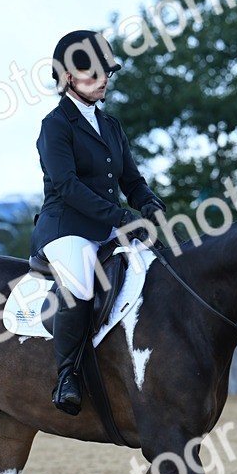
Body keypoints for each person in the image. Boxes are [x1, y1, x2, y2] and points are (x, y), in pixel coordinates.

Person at [31, 29, 166, 415]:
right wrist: (125, 217)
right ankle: (66, 376)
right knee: (81, 282)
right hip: (66, 229)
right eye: (94, 73)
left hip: (107, 225)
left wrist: (150, 204)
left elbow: (132, 181)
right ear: (68, 78)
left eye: (107, 72)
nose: (104, 79)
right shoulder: (55, 125)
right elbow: (68, 186)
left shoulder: (110, 125)